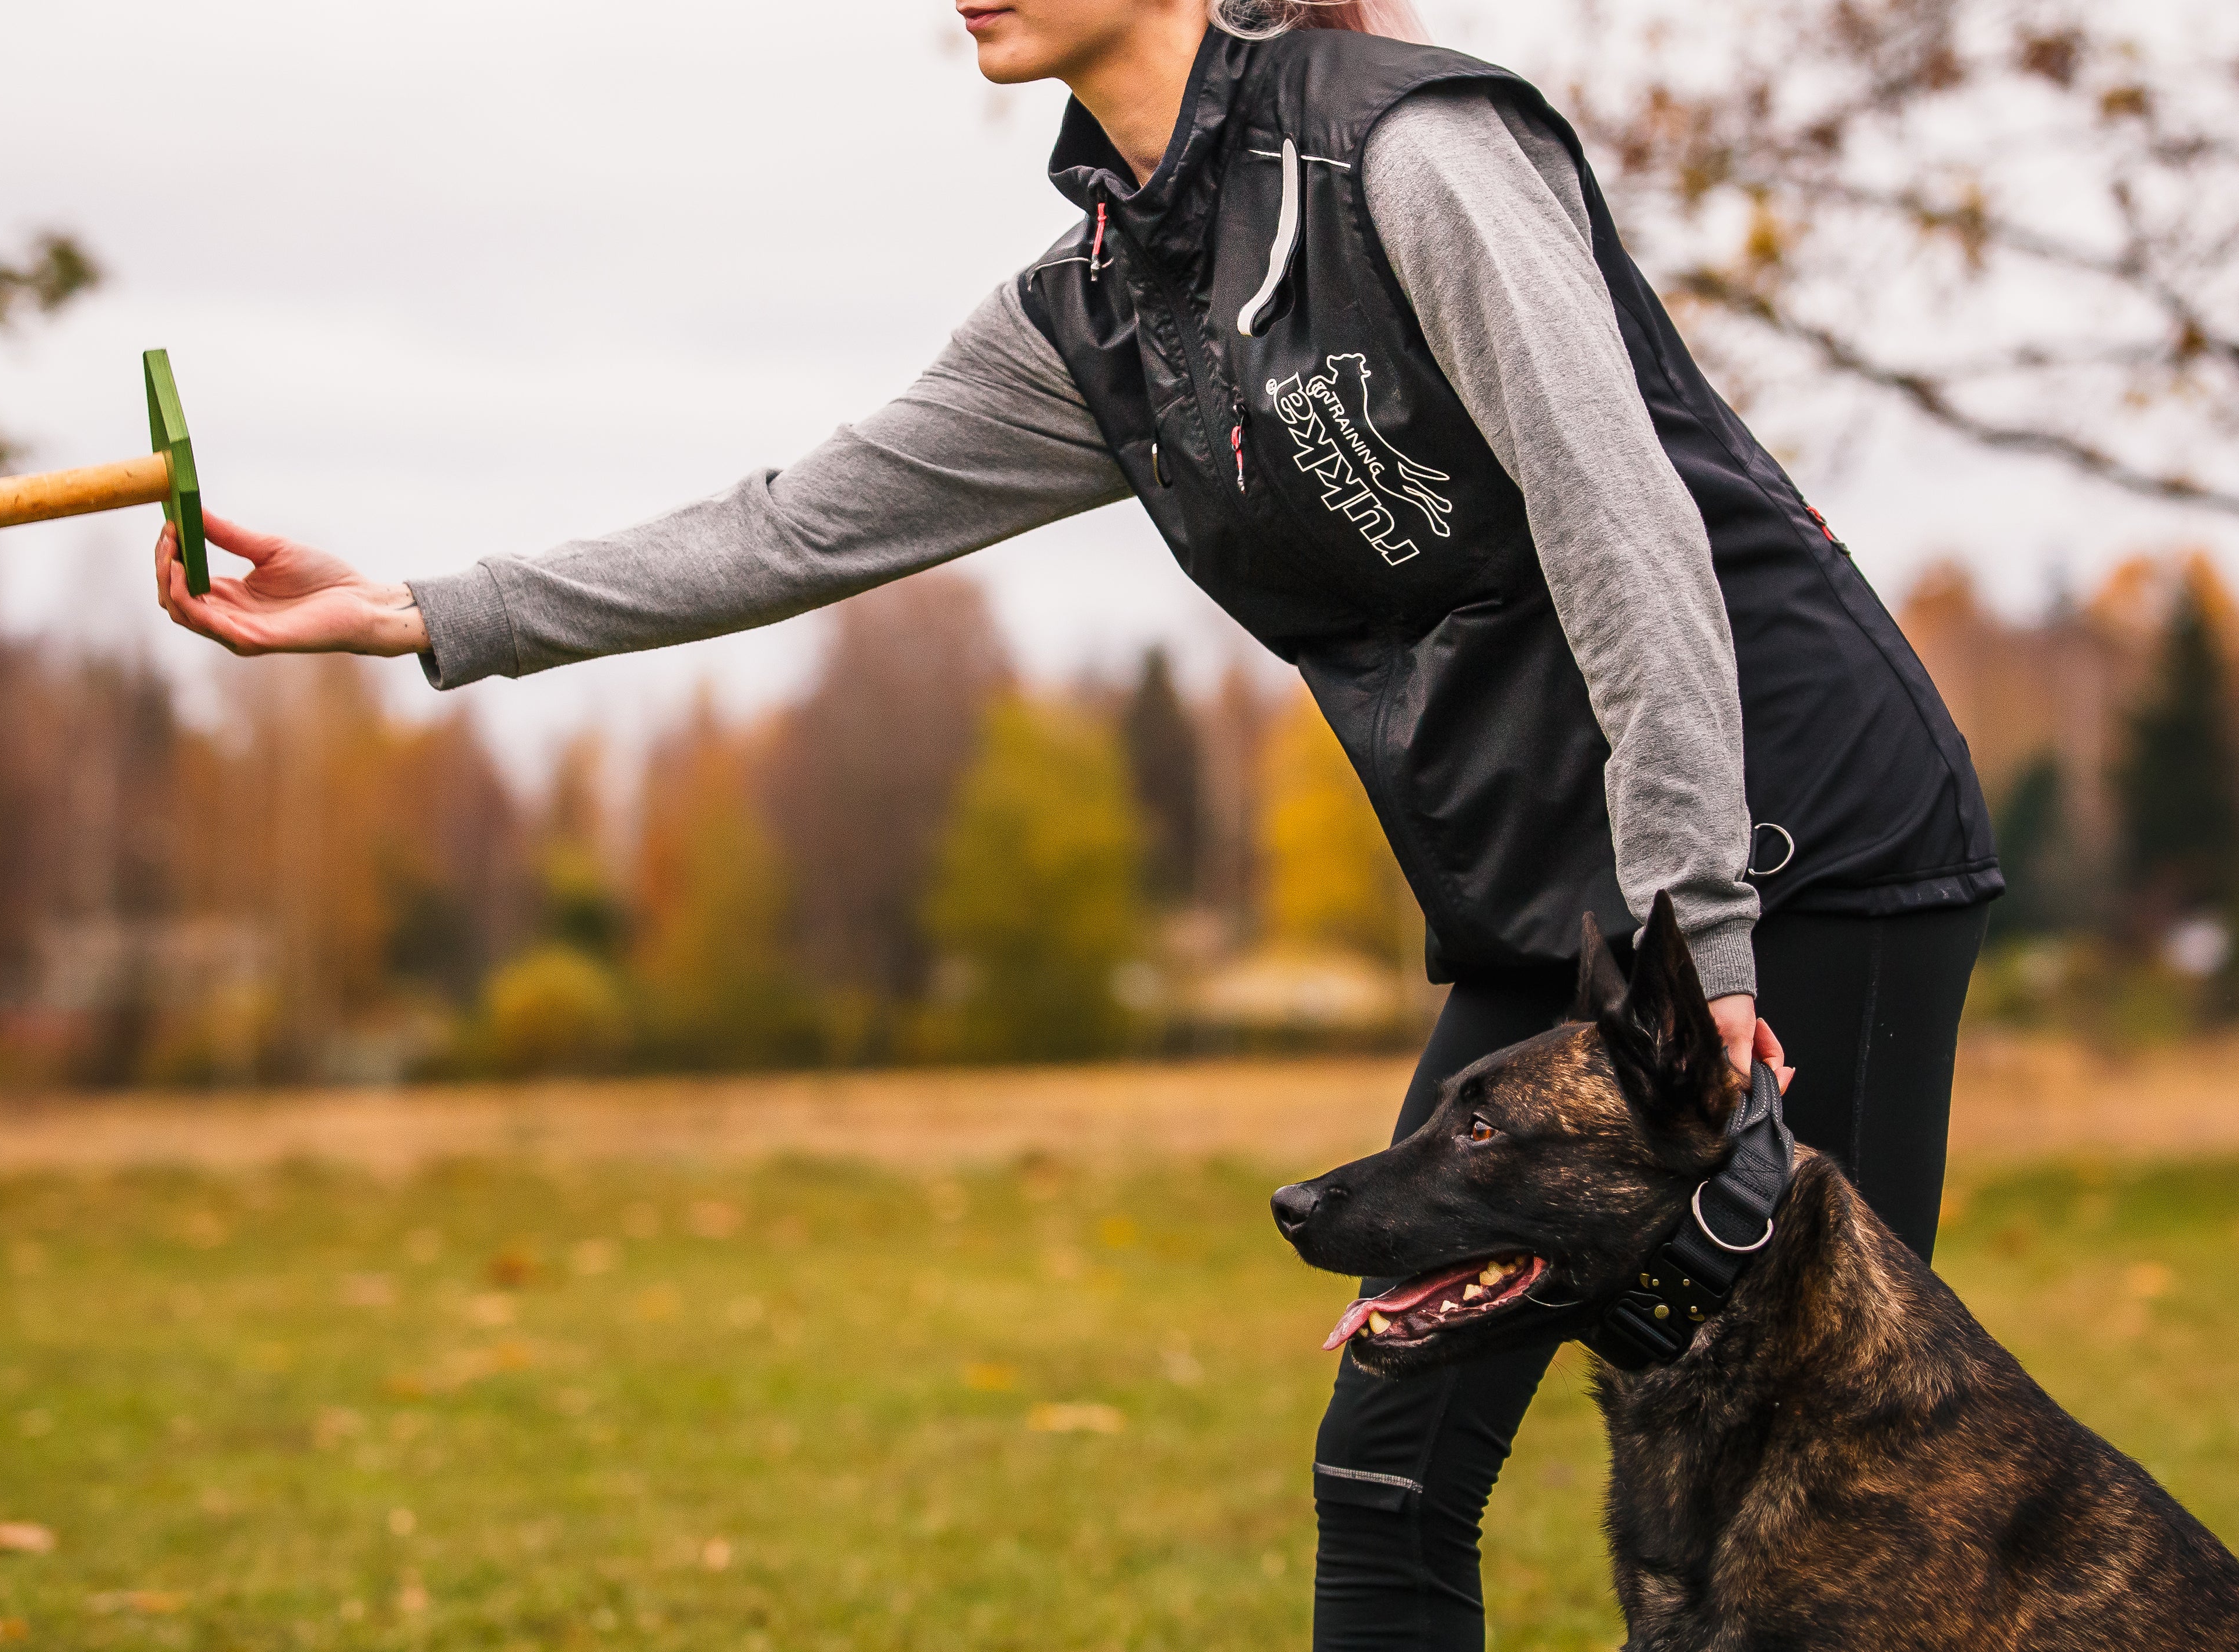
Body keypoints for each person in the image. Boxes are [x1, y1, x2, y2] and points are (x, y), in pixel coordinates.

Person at [152, 2, 1999, 1646]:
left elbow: (1625, 524)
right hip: (1557, 909)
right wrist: (415, 609)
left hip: (1794, 846)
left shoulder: (1410, 155)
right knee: (1386, 1475)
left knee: (1825, 1495)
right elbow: (792, 526)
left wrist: (1703, 933)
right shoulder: (1108, 310)